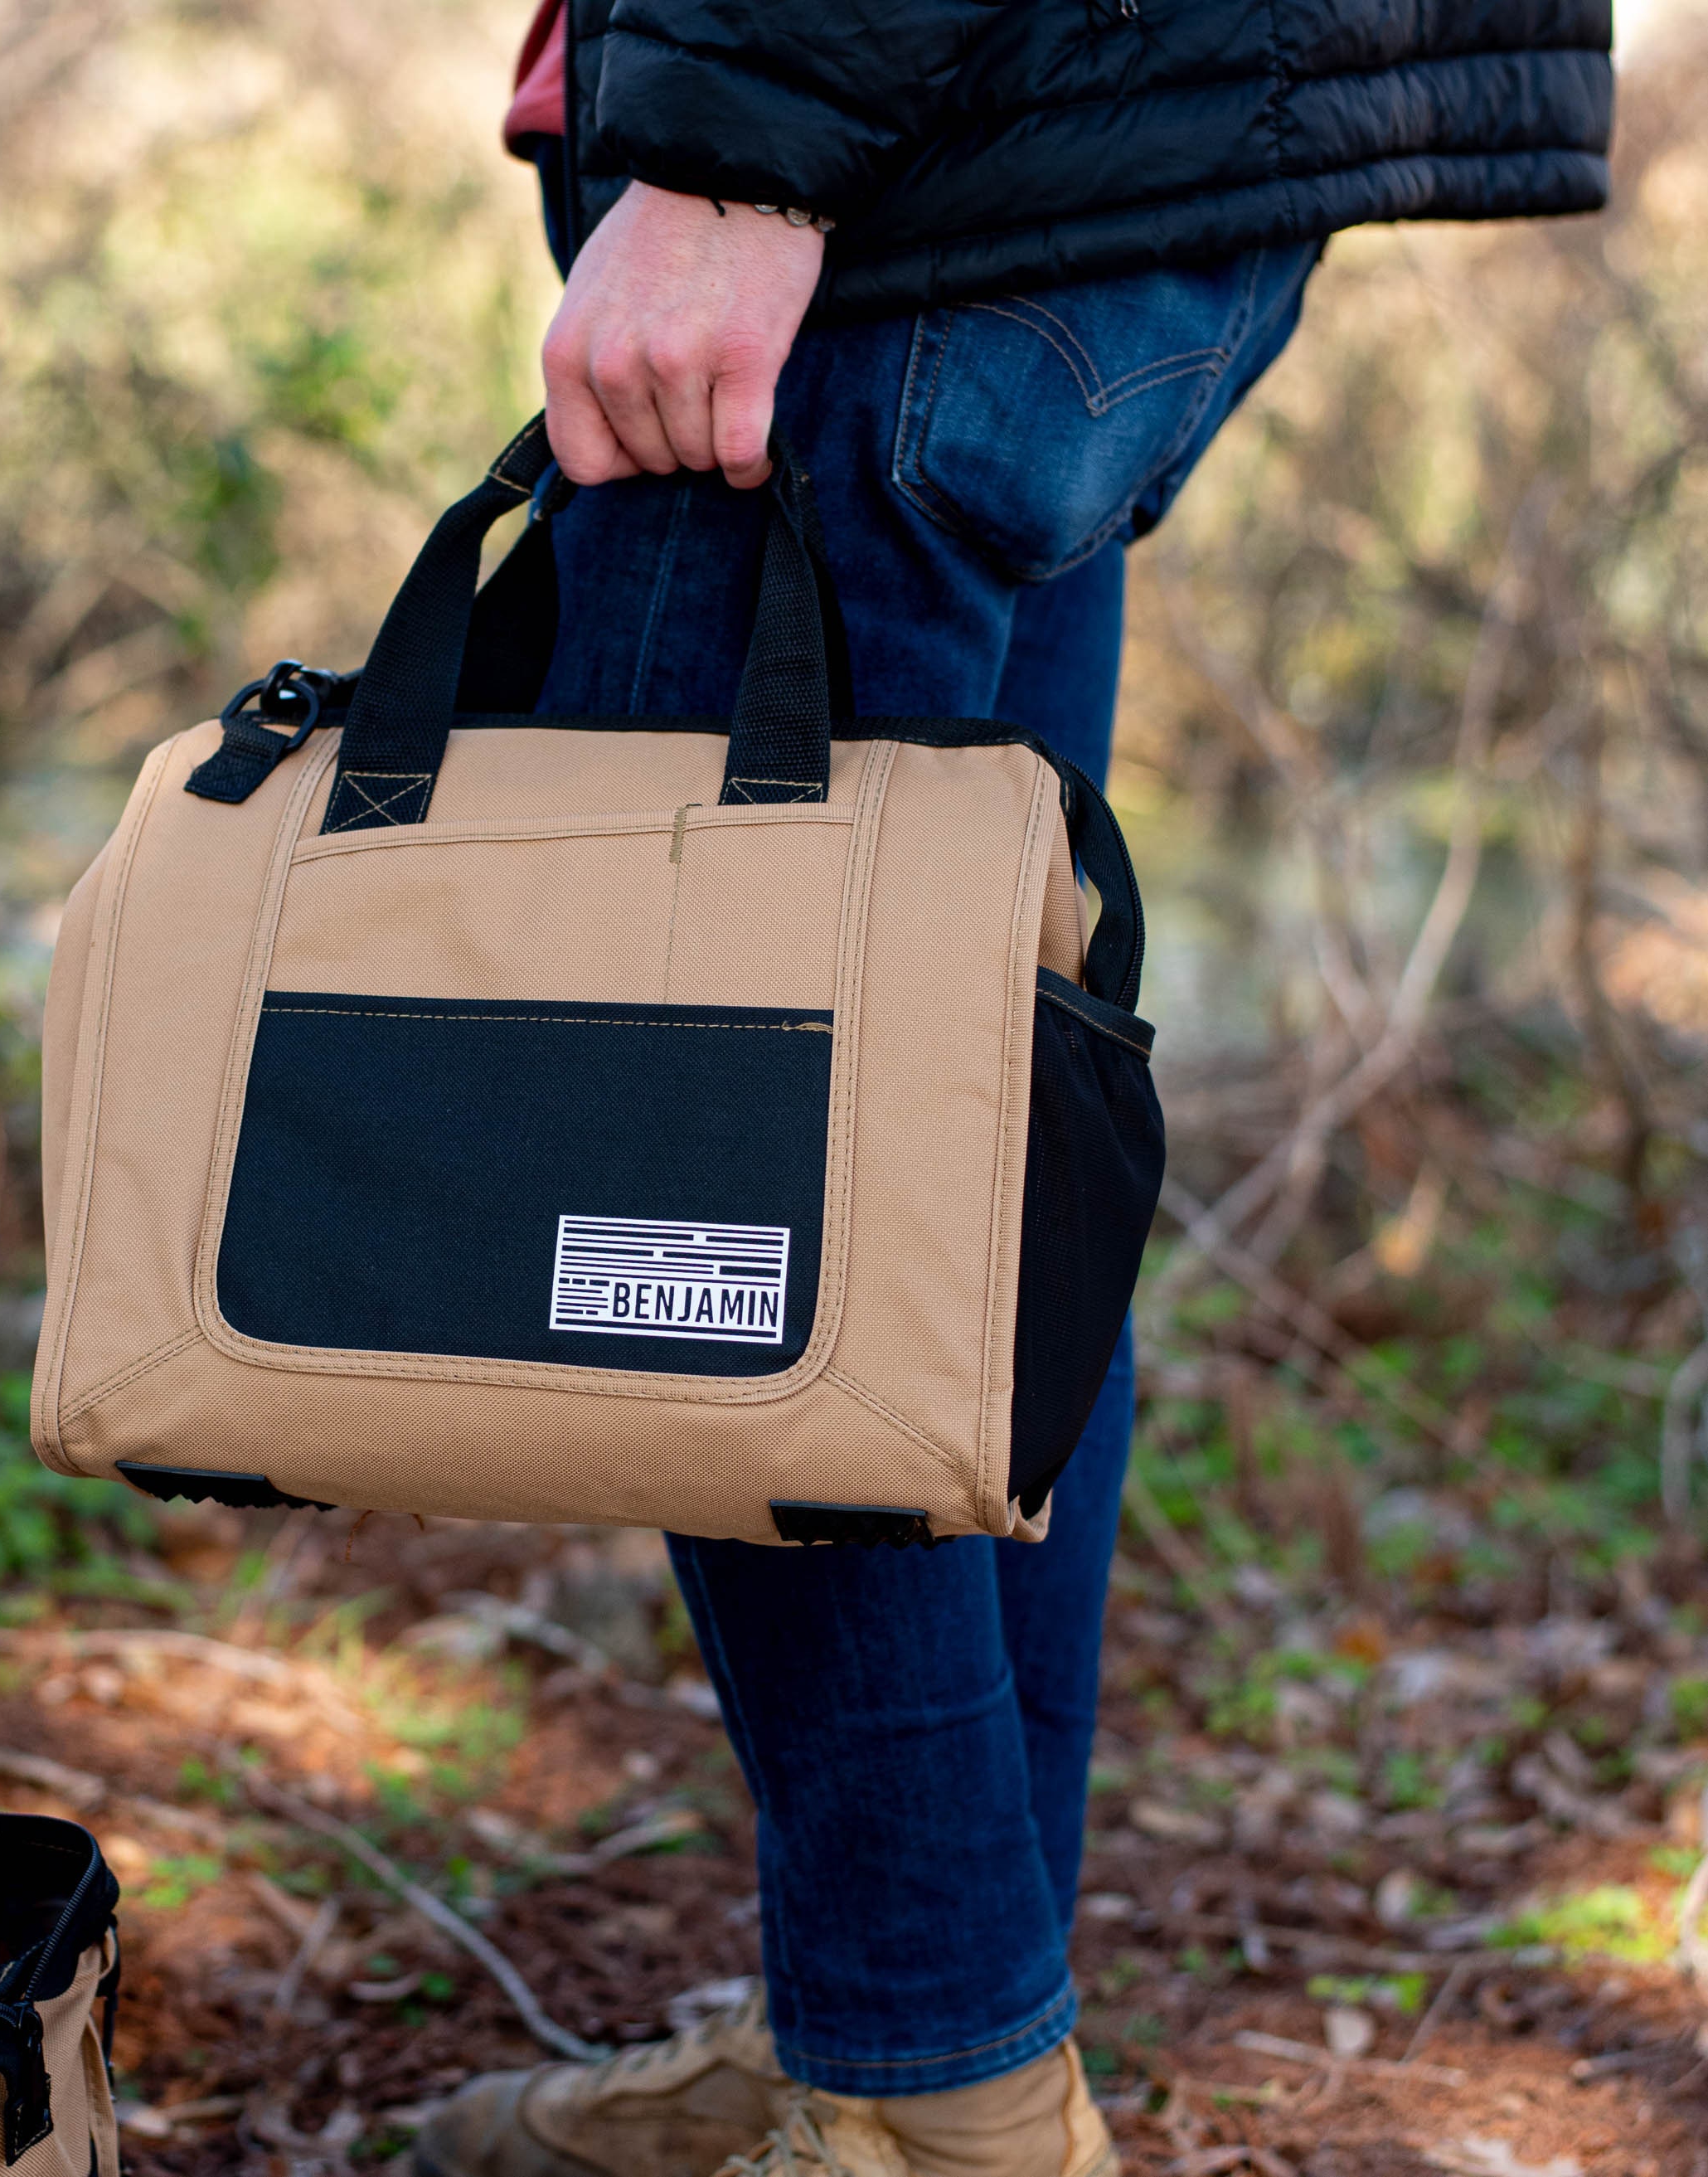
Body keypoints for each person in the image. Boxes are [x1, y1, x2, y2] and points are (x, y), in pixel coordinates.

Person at [415, 8, 1613, 2176]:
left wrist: (739, 156)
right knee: (967, 1153)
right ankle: (911, 2028)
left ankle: (934, 2096)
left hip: (888, 165)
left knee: (726, 1164)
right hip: (1042, 152)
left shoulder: (785, 166)